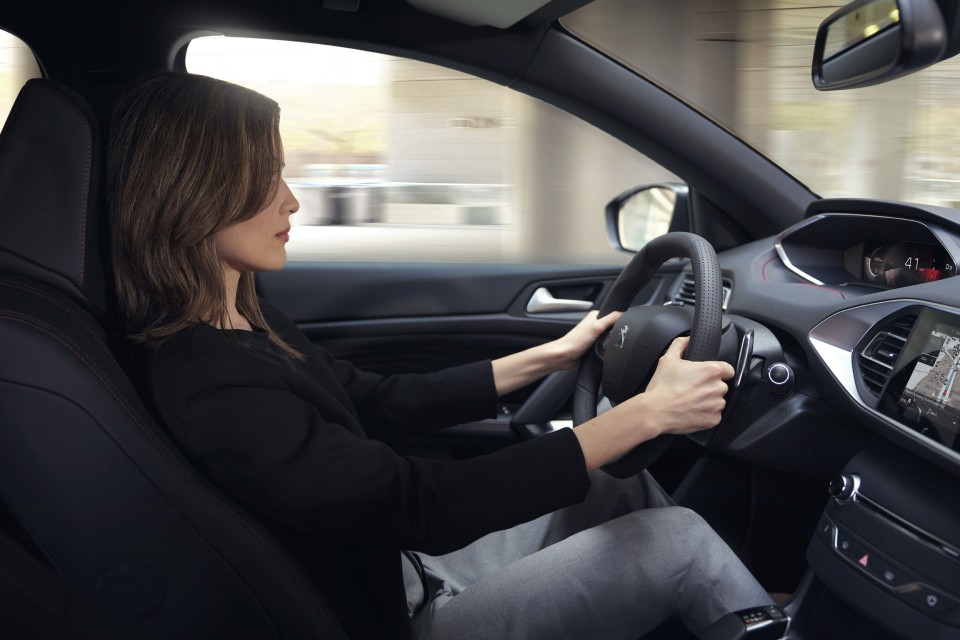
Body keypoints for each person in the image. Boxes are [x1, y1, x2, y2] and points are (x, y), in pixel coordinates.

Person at [108, 71, 774, 640]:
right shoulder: (209, 386)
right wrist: (648, 415)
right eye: (265, 179)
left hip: (409, 568)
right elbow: (413, 504)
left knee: (617, 479)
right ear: (194, 193)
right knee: (679, 542)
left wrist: (553, 354)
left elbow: (379, 400)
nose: (292, 199)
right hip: (403, 620)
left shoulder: (244, 323)